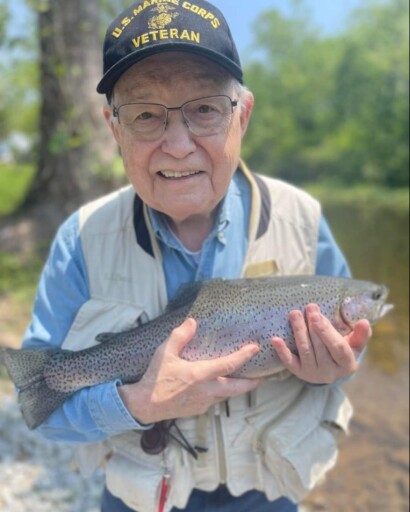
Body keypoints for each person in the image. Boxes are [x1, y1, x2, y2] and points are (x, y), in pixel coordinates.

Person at [22, 1, 372, 511]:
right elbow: (41, 406)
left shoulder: (303, 218)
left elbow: (349, 353)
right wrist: (136, 403)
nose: (179, 145)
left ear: (242, 115)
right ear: (113, 129)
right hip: (139, 495)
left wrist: (332, 369)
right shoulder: (81, 240)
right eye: (146, 115)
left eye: (205, 109)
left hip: (266, 493)